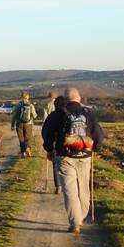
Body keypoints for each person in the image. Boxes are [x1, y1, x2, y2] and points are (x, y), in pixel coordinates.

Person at [42, 87, 105, 233]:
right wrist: (96, 149)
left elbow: (47, 133)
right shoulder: (88, 113)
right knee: (83, 187)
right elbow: (99, 134)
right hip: (85, 155)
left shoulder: (58, 114)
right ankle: (81, 216)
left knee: (69, 189)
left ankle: (75, 222)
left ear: (65, 99)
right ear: (80, 98)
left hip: (64, 156)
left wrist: (49, 149)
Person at [41, 95, 67, 194]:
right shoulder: (71, 114)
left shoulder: (52, 116)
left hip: (57, 144)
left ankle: (58, 186)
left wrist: (49, 149)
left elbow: (45, 133)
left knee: (56, 164)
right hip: (72, 145)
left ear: (55, 105)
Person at [10, 91, 38, 157]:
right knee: (28, 137)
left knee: (21, 138)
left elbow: (14, 116)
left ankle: (23, 153)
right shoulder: (30, 105)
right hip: (28, 124)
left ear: (21, 97)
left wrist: (12, 125)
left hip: (19, 124)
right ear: (28, 97)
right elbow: (35, 116)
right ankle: (28, 148)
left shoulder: (18, 105)